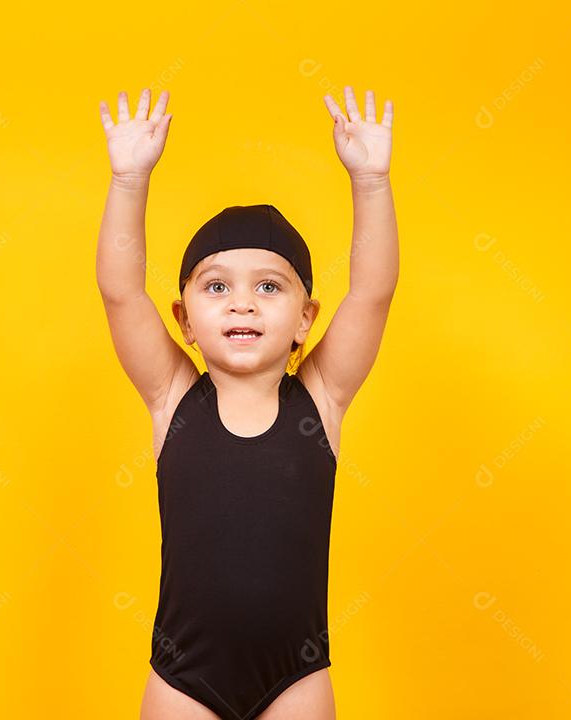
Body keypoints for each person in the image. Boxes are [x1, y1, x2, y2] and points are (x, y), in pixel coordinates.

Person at [96, 84, 398, 719]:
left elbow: (371, 293)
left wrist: (370, 182)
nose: (243, 303)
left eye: (269, 286)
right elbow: (122, 292)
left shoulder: (321, 399)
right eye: (216, 287)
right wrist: (129, 181)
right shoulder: (172, 397)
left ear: (304, 319)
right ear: (183, 318)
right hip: (184, 677)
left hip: (295, 675)